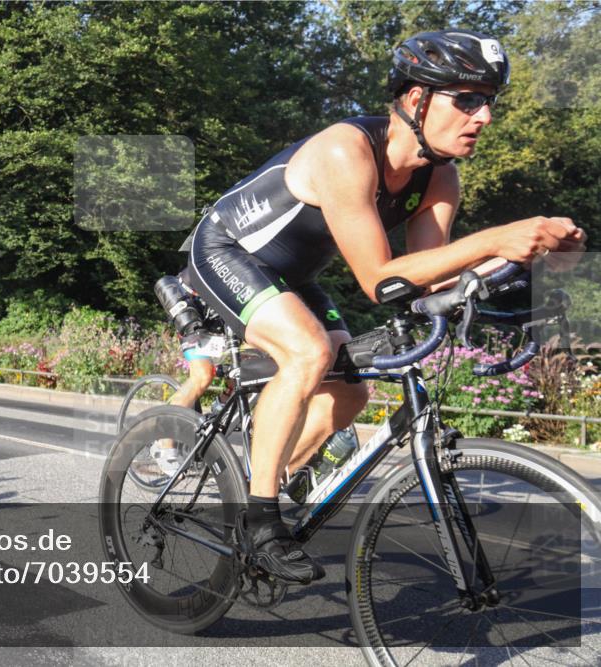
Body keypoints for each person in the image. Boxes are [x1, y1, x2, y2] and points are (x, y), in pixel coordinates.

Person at [186, 29, 587, 584]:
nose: (485, 116)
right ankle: (259, 524)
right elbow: (379, 280)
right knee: (307, 352)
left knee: (351, 390)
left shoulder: (440, 174)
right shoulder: (343, 150)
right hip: (225, 250)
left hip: (293, 275)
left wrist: (529, 267)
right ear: (416, 98)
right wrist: (499, 237)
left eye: (488, 101)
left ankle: (267, 486)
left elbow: (423, 278)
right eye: (467, 99)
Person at [151, 269, 222, 475]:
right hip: (190, 306)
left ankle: (219, 412)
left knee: (249, 368)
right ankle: (164, 446)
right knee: (203, 375)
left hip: (220, 315)